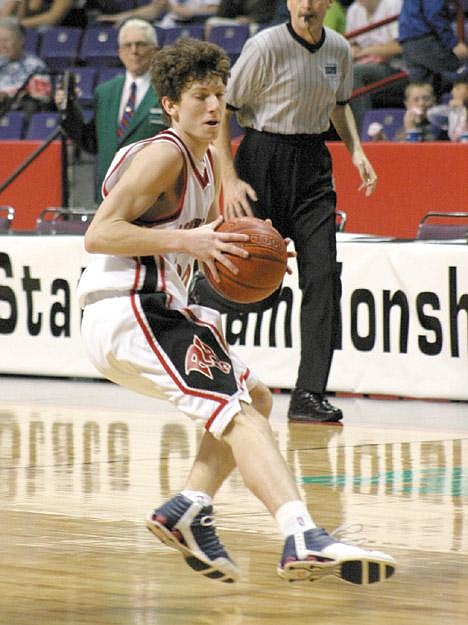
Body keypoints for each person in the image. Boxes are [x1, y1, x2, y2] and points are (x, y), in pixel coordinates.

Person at [77, 35, 397, 585]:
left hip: (153, 309)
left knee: (256, 397)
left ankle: (189, 506)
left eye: (219, 96)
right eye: (199, 97)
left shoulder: (203, 163)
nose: (213, 107)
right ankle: (302, 534)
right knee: (240, 414)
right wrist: (193, 241)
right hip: (131, 307)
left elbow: (188, 235)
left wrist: (248, 250)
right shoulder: (165, 154)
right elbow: (98, 234)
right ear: (171, 105)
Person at [197, 0, 379, 424]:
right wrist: (229, 179)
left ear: (328, 3)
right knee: (254, 282)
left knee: (323, 278)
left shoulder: (338, 48)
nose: (307, 4)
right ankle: (199, 297)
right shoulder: (265, 46)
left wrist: (356, 151)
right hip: (262, 159)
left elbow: (339, 106)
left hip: (313, 163)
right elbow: (224, 111)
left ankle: (309, 394)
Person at [56, 18, 166, 199]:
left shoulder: (167, 91)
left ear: (155, 50)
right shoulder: (105, 92)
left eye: (141, 44)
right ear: (119, 52)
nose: (134, 51)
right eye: (127, 45)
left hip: (153, 195)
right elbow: (91, 142)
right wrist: (69, 109)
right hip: (109, 195)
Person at [346, 0, 404, 135]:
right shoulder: (354, 9)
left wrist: (365, 52)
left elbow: (399, 46)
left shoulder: (394, 4)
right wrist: (353, 50)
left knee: (353, 73)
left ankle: (363, 136)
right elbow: (350, 43)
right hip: (365, 66)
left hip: (396, 68)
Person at [398, 0, 468, 99]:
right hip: (425, 39)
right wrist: (453, 43)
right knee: (461, 75)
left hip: (407, 42)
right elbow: (434, 15)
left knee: (422, 93)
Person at [0, 16, 52, 117]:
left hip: (20, 110)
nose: (2, 45)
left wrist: (8, 96)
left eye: (6, 40)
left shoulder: (35, 65)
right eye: (0, 40)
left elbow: (42, 96)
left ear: (21, 40)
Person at [96, 0, 220, 28]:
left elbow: (213, 11)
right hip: (165, 28)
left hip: (192, 28)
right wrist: (121, 17)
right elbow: (153, 10)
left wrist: (174, 9)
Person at [427, 67, 468, 142]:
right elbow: (432, 113)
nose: (452, 92)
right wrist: (452, 108)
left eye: (458, 88)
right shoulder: (456, 109)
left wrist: (466, 106)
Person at [205, 0, 277, 36]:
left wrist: (252, 19)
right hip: (239, 22)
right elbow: (221, 14)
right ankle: (210, 51)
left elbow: (270, 15)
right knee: (212, 22)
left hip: (259, 24)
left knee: (253, 28)